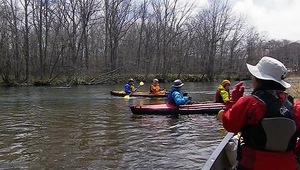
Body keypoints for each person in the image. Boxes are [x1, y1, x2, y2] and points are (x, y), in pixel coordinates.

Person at [217, 56, 300, 170]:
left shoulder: (250, 102)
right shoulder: (294, 105)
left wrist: (233, 102)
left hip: (253, 166)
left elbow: (230, 125)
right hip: (289, 166)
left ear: (259, 80)